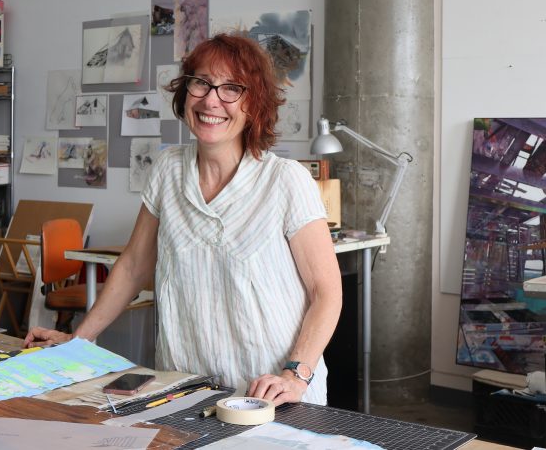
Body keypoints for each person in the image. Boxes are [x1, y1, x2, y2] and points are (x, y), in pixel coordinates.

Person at [25, 34, 342, 405]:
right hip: (186, 388)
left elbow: (326, 292)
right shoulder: (168, 169)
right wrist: (77, 342)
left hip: (272, 395)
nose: (211, 100)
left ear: (254, 103)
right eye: (201, 82)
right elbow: (132, 267)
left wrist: (295, 374)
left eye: (231, 88)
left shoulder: (286, 180)